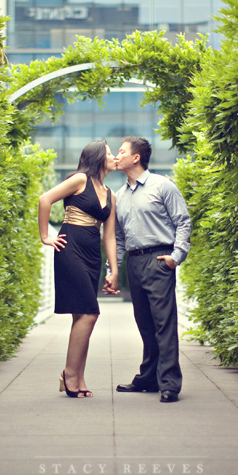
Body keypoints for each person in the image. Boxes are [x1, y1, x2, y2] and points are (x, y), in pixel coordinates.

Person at [103, 136, 191, 403]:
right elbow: (117, 237)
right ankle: (149, 378)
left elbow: (183, 222)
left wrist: (176, 257)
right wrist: (113, 269)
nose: (117, 156)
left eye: (121, 151)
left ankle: (170, 384)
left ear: (136, 157)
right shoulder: (119, 196)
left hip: (159, 259)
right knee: (145, 324)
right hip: (135, 262)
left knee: (164, 323)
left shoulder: (162, 185)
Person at [39, 141, 119, 398]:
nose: (114, 156)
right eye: (109, 152)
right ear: (97, 157)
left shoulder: (111, 194)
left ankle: (78, 377)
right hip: (69, 247)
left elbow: (109, 236)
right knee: (89, 313)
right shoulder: (80, 179)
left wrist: (113, 270)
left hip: (92, 254)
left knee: (81, 316)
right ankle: (69, 374)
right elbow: (45, 199)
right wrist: (45, 237)